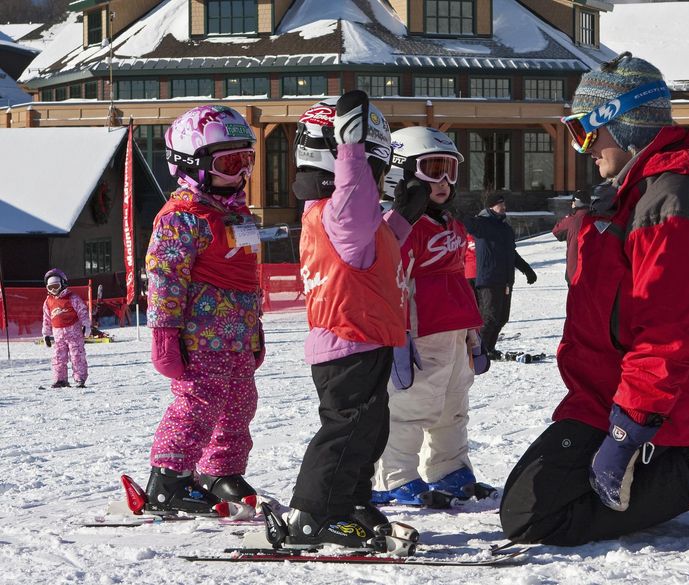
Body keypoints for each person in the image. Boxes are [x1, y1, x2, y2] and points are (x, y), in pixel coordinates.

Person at [499, 52, 689, 546]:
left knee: (534, 516)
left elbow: (667, 332)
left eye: (587, 132)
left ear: (627, 127)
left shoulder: (672, 202)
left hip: (655, 410)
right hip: (603, 395)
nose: (585, 149)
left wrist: (627, 431)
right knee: (529, 497)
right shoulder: (635, 198)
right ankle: (681, 466)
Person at [272, 91, 427, 550]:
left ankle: (350, 501)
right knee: (347, 431)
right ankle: (313, 514)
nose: (378, 180)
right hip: (348, 341)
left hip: (364, 340)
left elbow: (370, 253)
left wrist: (405, 217)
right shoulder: (339, 210)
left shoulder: (337, 220)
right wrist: (353, 145)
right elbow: (355, 193)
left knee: (370, 429)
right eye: (375, 167)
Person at [145, 105, 265, 514]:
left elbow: (249, 277)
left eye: (246, 160)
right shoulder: (181, 218)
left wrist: (256, 328)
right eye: (229, 163)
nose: (241, 174)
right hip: (199, 337)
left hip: (237, 335)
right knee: (198, 404)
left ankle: (220, 471)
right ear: (189, 164)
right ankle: (170, 477)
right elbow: (164, 278)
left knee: (240, 404)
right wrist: (164, 335)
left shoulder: (237, 214)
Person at [370, 127, 489, 508]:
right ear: (400, 171)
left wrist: (473, 330)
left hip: (453, 329)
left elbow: (457, 278)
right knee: (411, 408)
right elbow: (393, 281)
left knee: (453, 405)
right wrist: (398, 335)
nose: (444, 181)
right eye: (433, 169)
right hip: (420, 331)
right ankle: (396, 476)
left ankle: (449, 468)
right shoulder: (399, 227)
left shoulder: (448, 221)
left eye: (451, 170)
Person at [463, 193, 538, 359]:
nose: (504, 207)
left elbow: (512, 253)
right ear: (491, 206)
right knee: (489, 317)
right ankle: (477, 352)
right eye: (500, 204)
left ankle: (487, 349)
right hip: (489, 278)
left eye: (504, 204)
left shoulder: (505, 228)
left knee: (502, 318)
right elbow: (463, 222)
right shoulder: (481, 224)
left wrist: (526, 269)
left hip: (505, 280)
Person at [41, 269, 90, 388]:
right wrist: (46, 334)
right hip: (58, 335)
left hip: (74, 333)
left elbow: (82, 312)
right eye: (50, 287)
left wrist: (86, 325)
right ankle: (60, 379)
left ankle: (80, 378)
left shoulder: (72, 298)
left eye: (56, 286)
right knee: (58, 357)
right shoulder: (48, 301)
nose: (53, 290)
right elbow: (47, 319)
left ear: (63, 284)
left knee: (77, 355)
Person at [552, 191, 589, 285]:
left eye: (572, 202)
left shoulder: (572, 220)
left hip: (574, 272)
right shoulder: (598, 218)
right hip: (595, 273)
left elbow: (557, 232)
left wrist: (567, 217)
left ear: (576, 203)